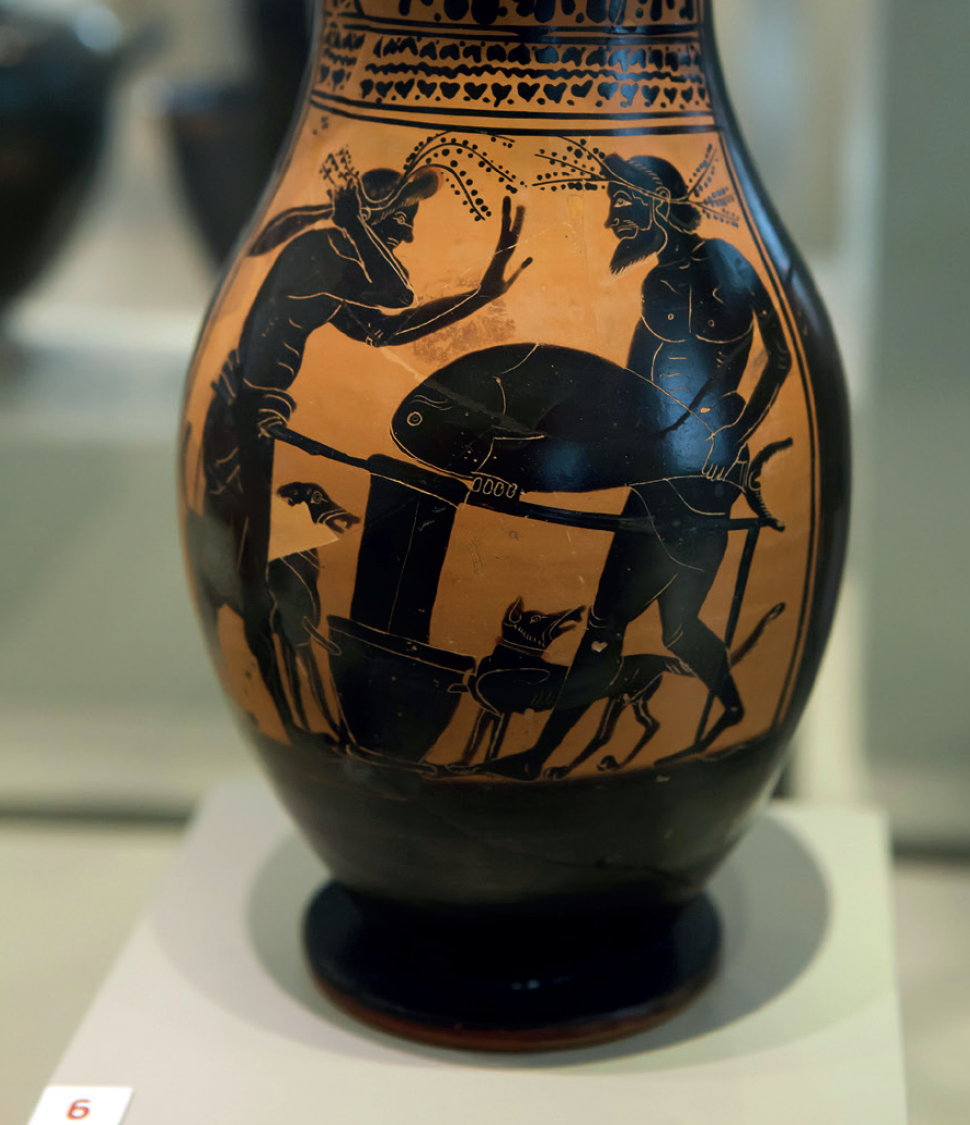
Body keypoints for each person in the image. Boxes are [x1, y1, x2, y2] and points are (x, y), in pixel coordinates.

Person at [199, 164, 530, 734]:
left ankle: (288, 708)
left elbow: (387, 330)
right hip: (243, 414)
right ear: (369, 213)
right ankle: (282, 708)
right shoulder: (320, 249)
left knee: (258, 564)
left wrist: (480, 295)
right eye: (400, 218)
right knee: (251, 568)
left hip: (258, 410)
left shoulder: (337, 266)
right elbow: (397, 292)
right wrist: (352, 222)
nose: (404, 233)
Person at [494, 153, 791, 774]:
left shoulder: (717, 266)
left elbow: (778, 358)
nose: (612, 221)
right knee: (651, 625)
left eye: (623, 207)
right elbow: (636, 383)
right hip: (678, 464)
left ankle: (546, 757)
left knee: (637, 626)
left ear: (658, 201)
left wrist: (735, 432)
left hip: (694, 470)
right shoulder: (678, 275)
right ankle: (550, 756)